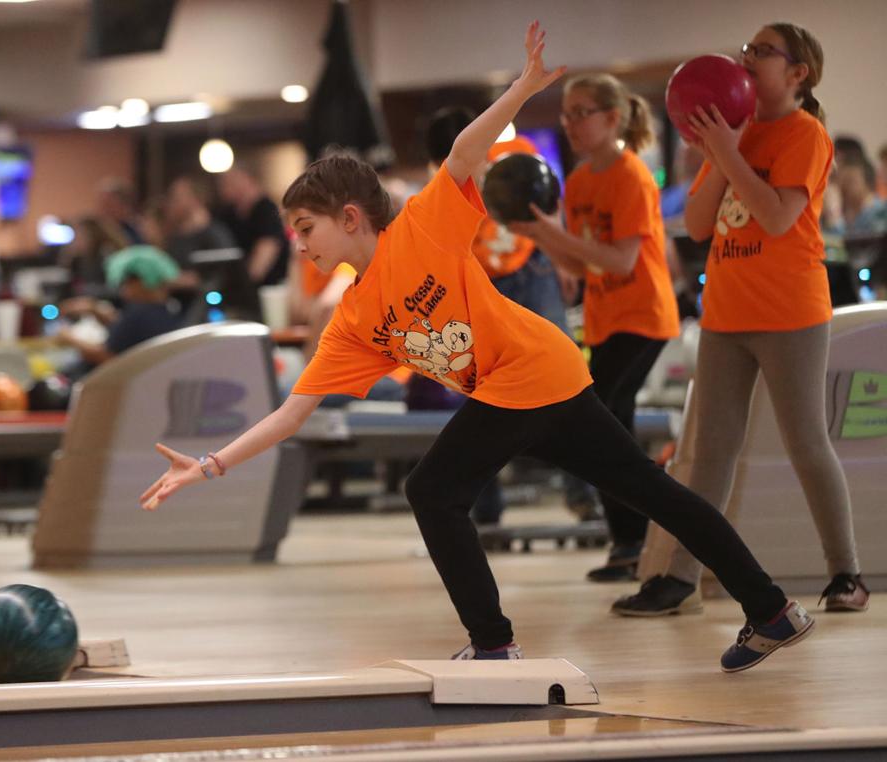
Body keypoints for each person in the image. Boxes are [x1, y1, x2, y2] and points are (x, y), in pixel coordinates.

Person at [140, 23, 812, 673]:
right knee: (647, 491)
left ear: (350, 219)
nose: (299, 242)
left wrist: (522, 88)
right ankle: (772, 609)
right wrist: (209, 465)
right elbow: (292, 414)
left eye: (306, 226)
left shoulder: (420, 230)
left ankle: (493, 643)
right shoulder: (352, 320)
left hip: (532, 371)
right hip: (534, 381)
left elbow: (464, 152)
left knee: (433, 489)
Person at [614, 22, 868, 616]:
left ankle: (845, 574)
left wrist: (728, 153)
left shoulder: (805, 134)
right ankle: (679, 577)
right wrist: (719, 151)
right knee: (711, 453)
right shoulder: (738, 129)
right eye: (746, 50)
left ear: (798, 72)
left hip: (790, 313)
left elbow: (779, 218)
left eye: (762, 52)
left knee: (806, 443)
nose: (746, 58)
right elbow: (700, 225)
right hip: (727, 314)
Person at [510, 73, 680, 581]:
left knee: (602, 420)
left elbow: (623, 260)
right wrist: (538, 236)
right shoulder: (580, 182)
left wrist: (549, 232)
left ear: (613, 117)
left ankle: (641, 536)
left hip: (644, 316)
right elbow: (586, 267)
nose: (571, 124)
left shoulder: (633, 176)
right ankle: (629, 542)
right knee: (607, 428)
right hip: (607, 319)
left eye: (581, 112)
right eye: (566, 114)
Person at [423, 106, 597, 525]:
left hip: (530, 267)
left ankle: (583, 494)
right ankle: (486, 506)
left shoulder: (515, 151)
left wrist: (560, 262)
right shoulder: (443, 178)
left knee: (563, 378)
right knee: (483, 392)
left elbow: (548, 206)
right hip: (485, 283)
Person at [56, 245, 182, 376]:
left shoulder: (139, 313)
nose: (124, 292)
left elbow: (108, 357)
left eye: (126, 284)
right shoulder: (167, 311)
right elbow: (126, 334)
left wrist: (69, 338)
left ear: (140, 281)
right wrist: (95, 311)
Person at [217, 166, 291, 287]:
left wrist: (241, 288)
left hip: (272, 288)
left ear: (246, 180)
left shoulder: (266, 210)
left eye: (227, 183)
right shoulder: (230, 215)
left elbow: (264, 257)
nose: (223, 189)